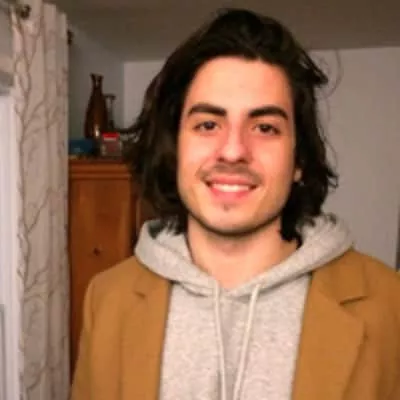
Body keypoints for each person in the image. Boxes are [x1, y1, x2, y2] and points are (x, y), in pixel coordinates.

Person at [71, 8, 400, 400]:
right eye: (208, 124)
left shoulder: (389, 307)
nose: (233, 150)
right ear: (175, 149)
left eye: (265, 127)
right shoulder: (107, 299)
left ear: (299, 159)